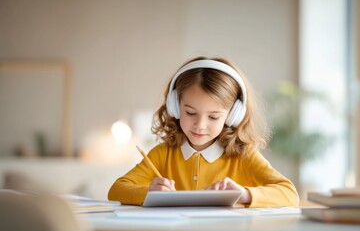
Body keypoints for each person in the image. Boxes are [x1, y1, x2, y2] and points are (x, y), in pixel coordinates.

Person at [108, 57, 299, 207]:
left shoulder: (244, 156)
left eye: (213, 117)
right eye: (190, 113)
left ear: (233, 116)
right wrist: (148, 192)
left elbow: (289, 193)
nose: (200, 125)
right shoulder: (162, 154)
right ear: (174, 106)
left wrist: (244, 194)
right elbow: (116, 190)